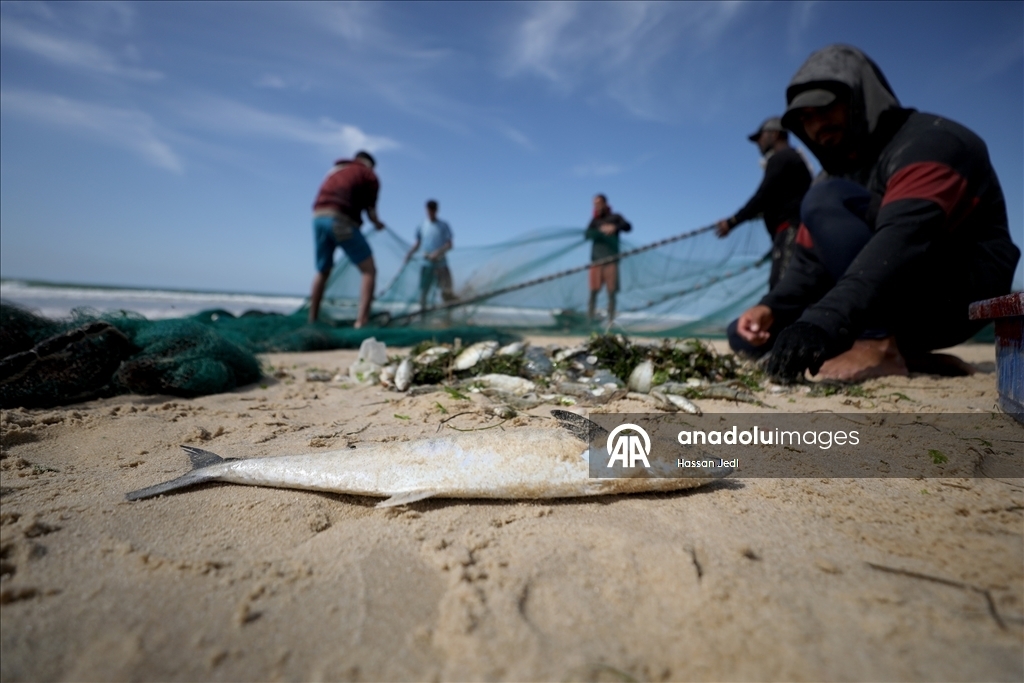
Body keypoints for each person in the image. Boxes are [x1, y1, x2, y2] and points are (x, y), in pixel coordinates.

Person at [731, 44, 1019, 382]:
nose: (816, 125)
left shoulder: (932, 141)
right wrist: (771, 308)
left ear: (860, 97)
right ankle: (909, 354)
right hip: (879, 298)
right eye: (805, 119)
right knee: (748, 337)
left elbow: (904, 239)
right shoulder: (832, 175)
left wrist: (825, 320)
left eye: (825, 108)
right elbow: (808, 265)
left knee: (825, 201)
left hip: (955, 297)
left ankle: (879, 345)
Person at [716, 116, 812, 294]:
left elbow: (762, 197)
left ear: (774, 134)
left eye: (761, 136)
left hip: (789, 232)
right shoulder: (793, 159)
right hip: (793, 233)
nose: (758, 142)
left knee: (782, 290)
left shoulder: (781, 158)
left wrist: (731, 222)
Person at [308, 151, 386, 327]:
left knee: (322, 271)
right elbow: (371, 210)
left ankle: (312, 319)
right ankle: (361, 321)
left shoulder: (336, 169)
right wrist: (377, 223)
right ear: (370, 164)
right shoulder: (369, 174)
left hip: (318, 218)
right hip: (340, 220)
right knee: (369, 271)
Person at [586, 194, 632, 324]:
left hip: (611, 260)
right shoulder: (594, 221)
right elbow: (587, 235)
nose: (597, 206)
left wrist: (614, 227)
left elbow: (628, 227)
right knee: (593, 292)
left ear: (605, 203)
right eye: (595, 204)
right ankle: (590, 320)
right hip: (596, 261)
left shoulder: (615, 217)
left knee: (611, 292)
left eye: (599, 203)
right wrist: (599, 231)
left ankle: (610, 321)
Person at [405, 199, 457, 312]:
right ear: (426, 210)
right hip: (426, 264)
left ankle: (448, 317)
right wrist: (409, 253)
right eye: (429, 210)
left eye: (433, 210)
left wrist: (438, 252)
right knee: (424, 291)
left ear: (437, 210)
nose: (431, 212)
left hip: (441, 264)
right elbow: (417, 243)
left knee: (447, 291)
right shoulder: (421, 225)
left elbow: (449, 244)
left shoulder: (443, 225)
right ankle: (422, 315)